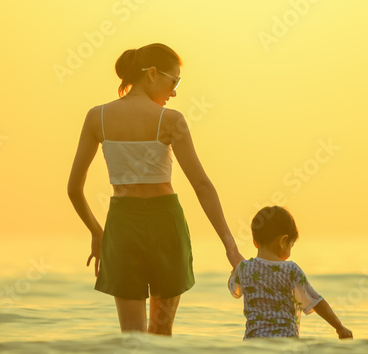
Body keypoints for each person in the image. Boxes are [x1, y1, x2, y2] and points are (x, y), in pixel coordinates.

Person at [67, 42, 245, 335]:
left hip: (122, 225)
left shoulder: (96, 117)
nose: (174, 92)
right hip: (166, 224)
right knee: (161, 337)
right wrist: (231, 247)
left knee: (132, 339)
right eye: (173, 81)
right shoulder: (171, 120)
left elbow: (74, 188)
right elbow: (201, 185)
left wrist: (96, 232)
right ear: (152, 73)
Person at [228, 205, 353, 339]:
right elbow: (316, 301)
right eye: (291, 245)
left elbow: (234, 290)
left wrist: (234, 271)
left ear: (255, 242)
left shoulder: (244, 268)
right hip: (286, 341)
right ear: (283, 241)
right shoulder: (291, 270)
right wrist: (339, 327)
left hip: (253, 342)